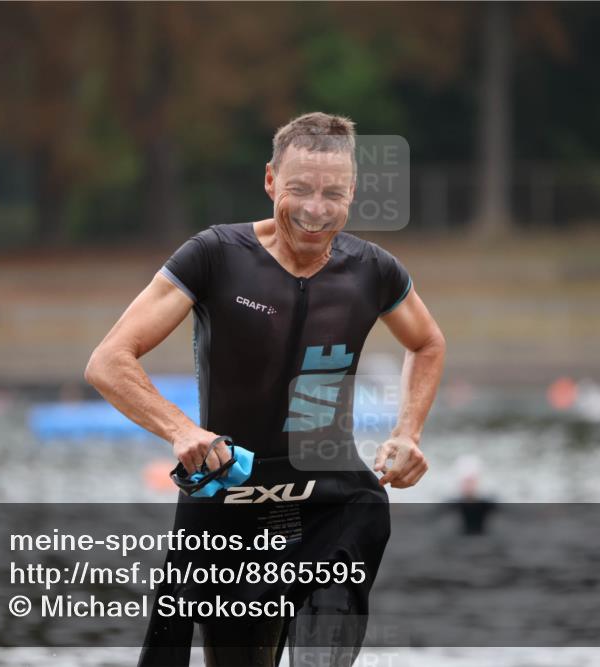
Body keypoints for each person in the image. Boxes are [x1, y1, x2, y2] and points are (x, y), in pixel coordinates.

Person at [85, 112, 446, 667]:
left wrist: (408, 431)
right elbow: (109, 361)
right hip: (227, 497)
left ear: (353, 194)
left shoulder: (372, 271)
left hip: (331, 501)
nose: (315, 209)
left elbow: (426, 343)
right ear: (271, 180)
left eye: (333, 193)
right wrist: (182, 430)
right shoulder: (215, 255)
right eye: (300, 188)